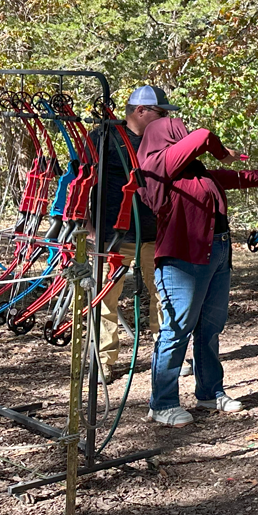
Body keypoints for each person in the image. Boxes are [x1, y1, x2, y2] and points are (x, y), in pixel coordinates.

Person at [138, 115, 258, 427]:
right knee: (177, 330)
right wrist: (223, 152)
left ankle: (209, 392)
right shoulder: (156, 166)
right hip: (183, 259)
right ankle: (162, 403)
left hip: (216, 253)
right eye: (177, 134)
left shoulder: (195, 172)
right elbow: (205, 135)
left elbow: (240, 177)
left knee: (209, 328)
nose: (183, 138)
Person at [92, 86, 170, 373]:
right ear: (141, 111)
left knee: (165, 294)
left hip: (155, 233)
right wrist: (88, 225)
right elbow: (83, 178)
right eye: (160, 114)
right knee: (105, 299)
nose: (164, 120)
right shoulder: (103, 137)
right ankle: (104, 361)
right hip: (113, 235)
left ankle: (166, 355)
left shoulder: (162, 140)